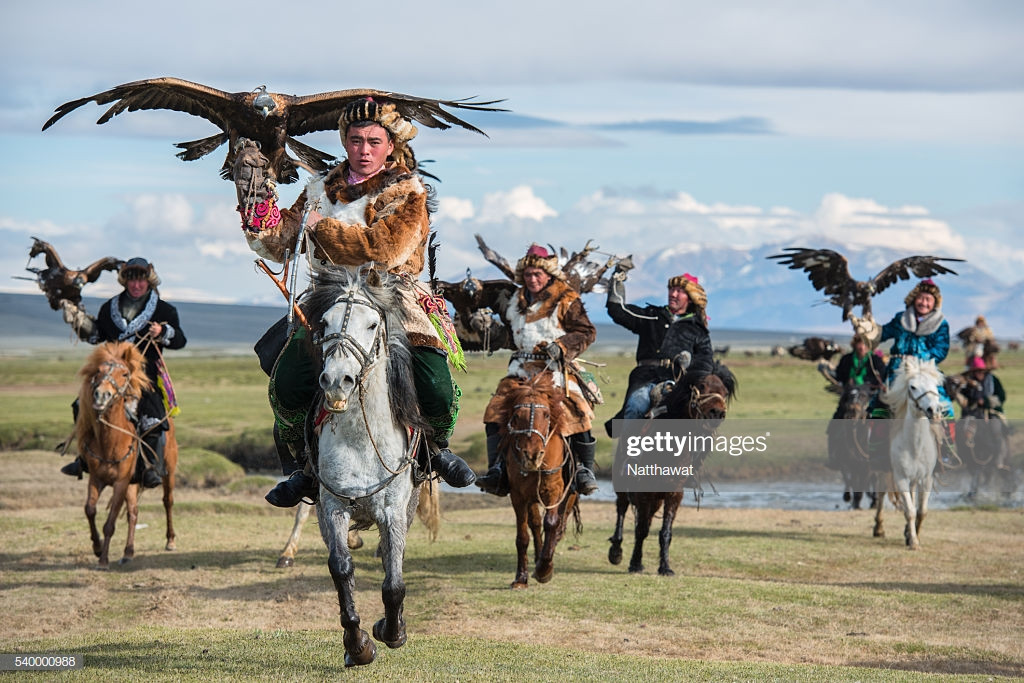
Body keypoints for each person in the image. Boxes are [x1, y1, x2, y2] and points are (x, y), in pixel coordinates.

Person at [235, 96, 475, 507]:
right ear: (345, 141)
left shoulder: (408, 192)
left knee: (434, 381)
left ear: (390, 145)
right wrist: (257, 205)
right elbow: (279, 245)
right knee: (289, 381)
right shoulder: (317, 189)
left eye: (374, 141)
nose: (364, 150)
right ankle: (302, 468)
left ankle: (437, 451)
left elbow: (383, 250)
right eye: (356, 139)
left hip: (392, 296)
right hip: (328, 297)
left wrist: (321, 227)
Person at [476, 245, 600, 496]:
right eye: (529, 274)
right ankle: (497, 469)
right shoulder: (515, 301)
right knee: (495, 410)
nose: (532, 279)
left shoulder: (567, 299)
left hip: (554, 370)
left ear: (549, 275)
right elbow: (511, 338)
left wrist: (562, 346)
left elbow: (587, 332)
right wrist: (488, 328)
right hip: (519, 370)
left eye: (537, 274)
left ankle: (584, 470)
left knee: (579, 409)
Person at [59, 258, 186, 488]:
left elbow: (180, 340)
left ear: (149, 281)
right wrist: (79, 321)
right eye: (131, 280)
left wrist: (162, 330)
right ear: (125, 281)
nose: (136, 285)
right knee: (80, 405)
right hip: (111, 375)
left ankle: (149, 468)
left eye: (141, 280)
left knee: (154, 419)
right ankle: (83, 459)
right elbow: (98, 336)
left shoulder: (164, 310)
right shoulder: (109, 308)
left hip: (144, 377)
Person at [854, 278, 956, 461]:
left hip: (925, 371)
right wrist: (869, 330)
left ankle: (947, 450)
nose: (924, 303)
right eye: (921, 298)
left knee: (945, 407)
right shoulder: (901, 318)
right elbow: (883, 334)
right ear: (914, 298)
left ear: (934, 303)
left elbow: (941, 350)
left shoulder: (941, 324)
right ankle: (876, 451)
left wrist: (919, 359)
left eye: (928, 300)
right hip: (897, 371)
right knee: (880, 408)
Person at [604, 267, 714, 431]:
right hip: (646, 379)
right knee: (637, 404)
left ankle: (695, 455)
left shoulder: (697, 329)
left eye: (679, 291)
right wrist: (617, 279)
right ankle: (630, 454)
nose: (673, 294)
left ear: (690, 298)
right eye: (671, 289)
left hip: (679, 383)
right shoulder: (652, 315)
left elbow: (706, 362)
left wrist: (690, 365)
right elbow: (618, 310)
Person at [825, 333, 887, 470]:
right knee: (834, 424)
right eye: (860, 344)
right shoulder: (847, 359)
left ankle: (882, 454)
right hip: (849, 397)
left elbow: (882, 378)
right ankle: (834, 456)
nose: (862, 347)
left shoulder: (875, 360)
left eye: (865, 344)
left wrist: (868, 384)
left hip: (870, 398)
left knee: (882, 423)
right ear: (855, 345)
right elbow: (840, 375)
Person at [960, 356, 1010, 470]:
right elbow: (964, 398)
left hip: (991, 413)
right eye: (976, 371)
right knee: (962, 429)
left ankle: (999, 460)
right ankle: (963, 458)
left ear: (985, 371)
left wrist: (986, 401)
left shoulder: (993, 381)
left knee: (996, 429)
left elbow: (1001, 397)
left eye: (981, 371)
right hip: (972, 414)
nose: (979, 373)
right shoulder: (968, 383)